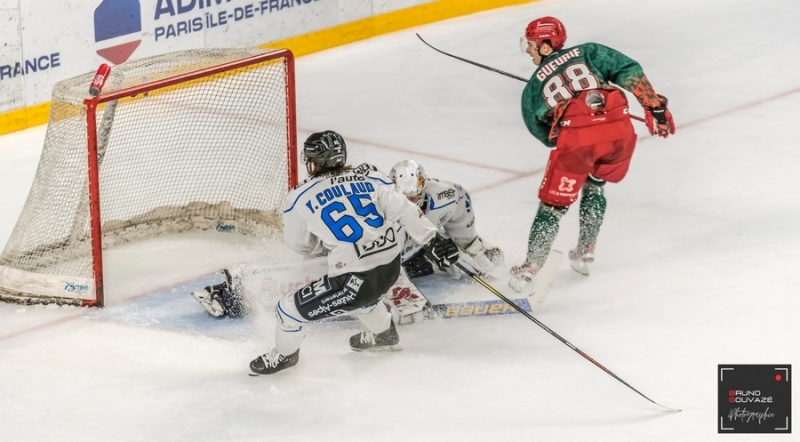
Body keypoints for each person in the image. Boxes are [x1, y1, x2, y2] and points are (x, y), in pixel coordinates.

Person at [243, 130, 459, 375]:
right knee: (365, 299)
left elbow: (301, 245)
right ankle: (384, 334)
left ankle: (284, 356)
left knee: (287, 311)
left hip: (353, 281)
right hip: (391, 268)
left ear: (314, 162)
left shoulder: (298, 197)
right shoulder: (373, 178)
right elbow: (406, 211)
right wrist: (434, 240)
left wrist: (328, 244)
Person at [509, 16, 675, 292]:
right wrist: (653, 106)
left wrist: (568, 130)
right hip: (621, 133)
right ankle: (586, 250)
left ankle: (529, 268)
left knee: (553, 206)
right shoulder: (589, 52)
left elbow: (543, 134)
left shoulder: (532, 89)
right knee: (595, 184)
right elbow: (629, 70)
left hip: (577, 141)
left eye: (531, 44)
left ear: (547, 46)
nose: (528, 50)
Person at [385, 160, 505, 322]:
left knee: (452, 257)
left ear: (423, 188)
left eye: (413, 198)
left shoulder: (446, 194)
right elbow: (374, 260)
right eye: (403, 199)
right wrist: (401, 294)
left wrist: (470, 243)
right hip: (392, 258)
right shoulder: (380, 214)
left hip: (418, 246)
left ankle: (464, 251)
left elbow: (460, 202)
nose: (409, 204)